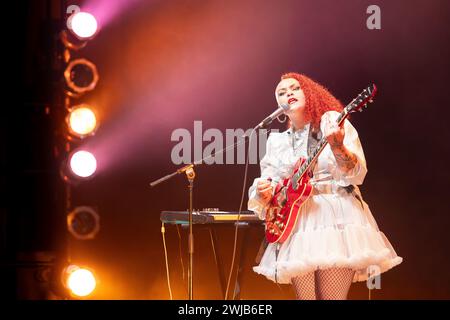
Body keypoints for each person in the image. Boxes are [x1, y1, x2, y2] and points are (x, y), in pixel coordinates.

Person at [248, 72, 402, 300]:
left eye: (294, 88)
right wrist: (265, 191)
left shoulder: (332, 121)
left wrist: (338, 146)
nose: (288, 93)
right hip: (298, 222)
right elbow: (269, 182)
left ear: (309, 93)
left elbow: (356, 173)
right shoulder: (277, 142)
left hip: (336, 214)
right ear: (278, 105)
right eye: (281, 92)